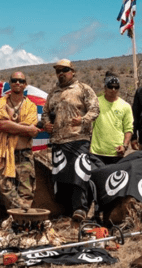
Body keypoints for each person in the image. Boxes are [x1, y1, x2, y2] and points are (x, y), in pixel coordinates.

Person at [42, 59, 99, 221]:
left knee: (79, 174)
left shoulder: (83, 89)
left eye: (65, 70)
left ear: (72, 71)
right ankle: (66, 211)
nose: (61, 73)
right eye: (58, 70)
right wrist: (46, 123)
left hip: (78, 138)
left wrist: (83, 119)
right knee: (62, 177)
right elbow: (45, 112)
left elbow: (95, 109)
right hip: (58, 141)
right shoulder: (53, 92)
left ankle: (80, 209)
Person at [0, 72, 40, 210]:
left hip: (24, 153)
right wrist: (24, 128)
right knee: (5, 186)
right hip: (6, 154)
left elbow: (31, 127)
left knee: (27, 190)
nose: (17, 83)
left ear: (25, 84)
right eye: (14, 80)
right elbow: (1, 125)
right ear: (10, 83)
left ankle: (21, 222)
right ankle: (21, 211)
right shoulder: (0, 103)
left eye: (21, 80)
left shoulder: (31, 106)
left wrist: (10, 122)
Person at [91, 72, 134, 165]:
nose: (113, 89)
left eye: (116, 87)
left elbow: (128, 129)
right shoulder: (96, 103)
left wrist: (125, 146)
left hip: (116, 152)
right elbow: (88, 123)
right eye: (110, 86)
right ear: (105, 87)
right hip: (97, 152)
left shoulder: (125, 106)